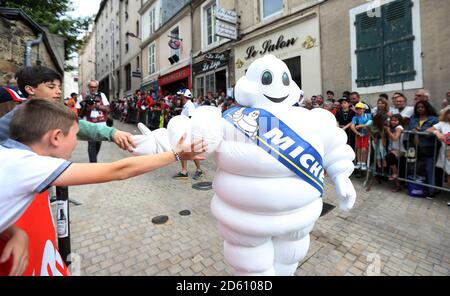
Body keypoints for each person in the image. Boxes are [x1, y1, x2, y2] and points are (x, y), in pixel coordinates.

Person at [0, 99, 206, 275]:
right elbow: (119, 170)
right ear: (55, 137)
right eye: (75, 135)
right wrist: (176, 154)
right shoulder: (28, 165)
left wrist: (13, 231)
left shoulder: (11, 157)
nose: (76, 143)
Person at [0, 66, 135, 276]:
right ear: (30, 89)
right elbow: (119, 169)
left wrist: (109, 130)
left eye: (59, 87)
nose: (57, 92)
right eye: (50, 86)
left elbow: (76, 125)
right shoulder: (19, 119)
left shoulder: (39, 112)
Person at [406, 101, 439, 196]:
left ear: (427, 108)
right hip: (415, 147)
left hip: (429, 147)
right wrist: (412, 130)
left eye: (422, 107)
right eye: (418, 107)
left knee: (429, 169)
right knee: (417, 169)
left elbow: (435, 131)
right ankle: (418, 188)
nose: (420, 109)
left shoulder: (434, 119)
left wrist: (422, 131)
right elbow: (409, 129)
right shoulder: (414, 118)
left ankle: (431, 190)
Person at [172, 89, 204, 180]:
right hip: (185, 132)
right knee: (183, 151)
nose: (179, 97)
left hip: (189, 132)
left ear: (183, 96)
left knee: (191, 151)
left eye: (180, 95)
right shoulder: (187, 105)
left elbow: (191, 119)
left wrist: (187, 132)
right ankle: (184, 171)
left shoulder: (189, 105)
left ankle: (199, 170)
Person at [81, 79, 111, 163]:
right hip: (89, 124)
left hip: (101, 124)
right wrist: (84, 105)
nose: (93, 89)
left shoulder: (102, 95)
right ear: (88, 87)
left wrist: (96, 106)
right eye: (91, 87)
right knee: (91, 144)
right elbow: (79, 111)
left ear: (97, 87)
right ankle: (93, 164)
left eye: (95, 87)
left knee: (98, 144)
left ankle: (93, 160)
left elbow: (107, 109)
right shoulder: (84, 96)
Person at [426, 106, 450, 205]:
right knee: (449, 175)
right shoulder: (443, 124)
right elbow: (429, 129)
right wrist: (437, 133)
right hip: (447, 154)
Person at [350, 102, 372, 170]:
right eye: (357, 109)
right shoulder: (355, 117)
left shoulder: (368, 115)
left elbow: (370, 123)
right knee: (358, 149)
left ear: (364, 109)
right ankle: (359, 162)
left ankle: (364, 163)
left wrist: (361, 125)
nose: (358, 110)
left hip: (366, 135)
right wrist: (357, 133)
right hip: (359, 135)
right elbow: (352, 126)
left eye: (360, 109)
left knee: (364, 149)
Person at [386, 114, 405, 192]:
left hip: (400, 150)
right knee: (392, 164)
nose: (393, 122)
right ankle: (397, 185)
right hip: (393, 149)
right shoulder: (392, 128)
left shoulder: (399, 127)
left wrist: (388, 130)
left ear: (399, 121)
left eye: (395, 120)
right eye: (392, 120)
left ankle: (396, 180)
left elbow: (395, 138)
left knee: (390, 158)